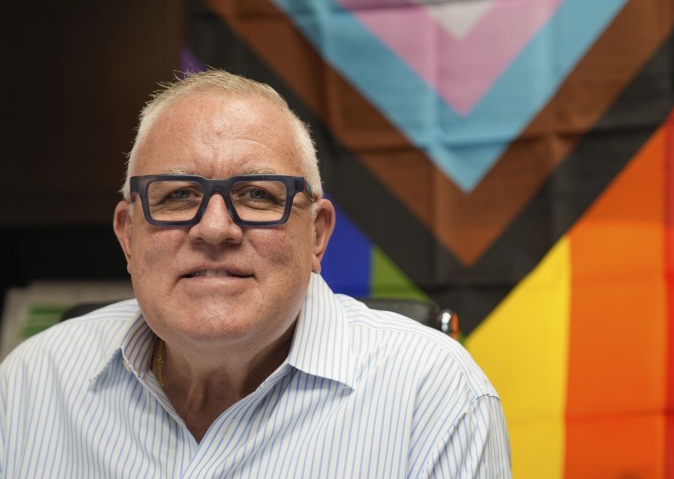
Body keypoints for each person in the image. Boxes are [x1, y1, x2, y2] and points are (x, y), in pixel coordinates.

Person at [0, 70, 511, 477]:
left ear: (317, 234)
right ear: (127, 235)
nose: (215, 228)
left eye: (258, 195)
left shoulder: (435, 397)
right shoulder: (29, 384)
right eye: (178, 196)